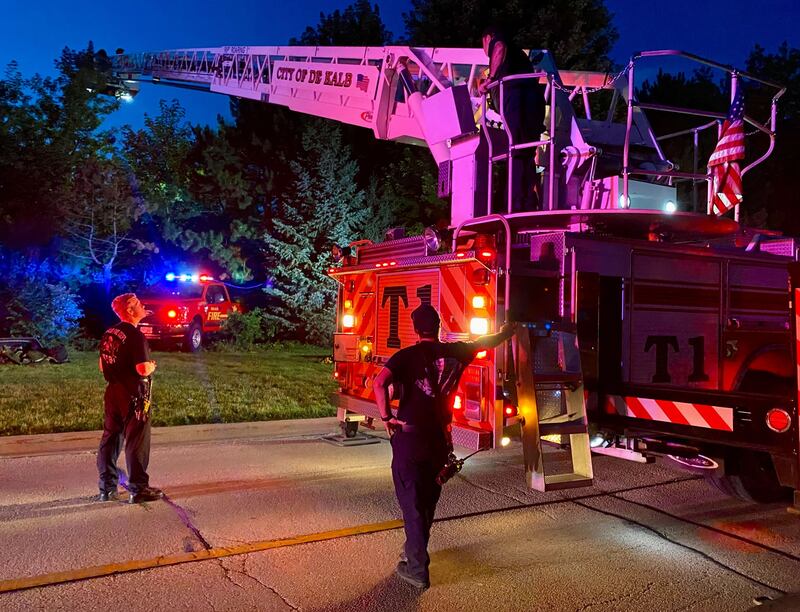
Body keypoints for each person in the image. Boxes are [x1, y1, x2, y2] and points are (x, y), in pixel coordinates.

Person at [373, 304, 515, 588]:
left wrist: (387, 417)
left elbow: (379, 384)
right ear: (438, 328)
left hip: (410, 440)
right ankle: (413, 552)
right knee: (427, 502)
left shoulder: (405, 357)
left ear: (415, 329)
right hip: (438, 441)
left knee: (412, 504)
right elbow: (485, 342)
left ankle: (417, 570)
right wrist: (505, 332)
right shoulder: (457, 352)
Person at [96, 293, 163, 504]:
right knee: (136, 440)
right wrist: (151, 367)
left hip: (113, 392)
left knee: (110, 438)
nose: (143, 305)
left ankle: (107, 488)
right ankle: (138, 488)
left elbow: (101, 365)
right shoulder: (135, 336)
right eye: (138, 304)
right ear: (130, 310)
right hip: (134, 395)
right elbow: (142, 369)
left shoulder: (110, 333)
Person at [478, 25, 546, 212]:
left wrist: (490, 79)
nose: (486, 52)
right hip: (534, 106)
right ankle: (526, 203)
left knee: (515, 150)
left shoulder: (498, 40)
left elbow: (498, 47)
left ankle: (514, 205)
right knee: (526, 154)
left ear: (487, 37)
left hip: (518, 100)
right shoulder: (520, 58)